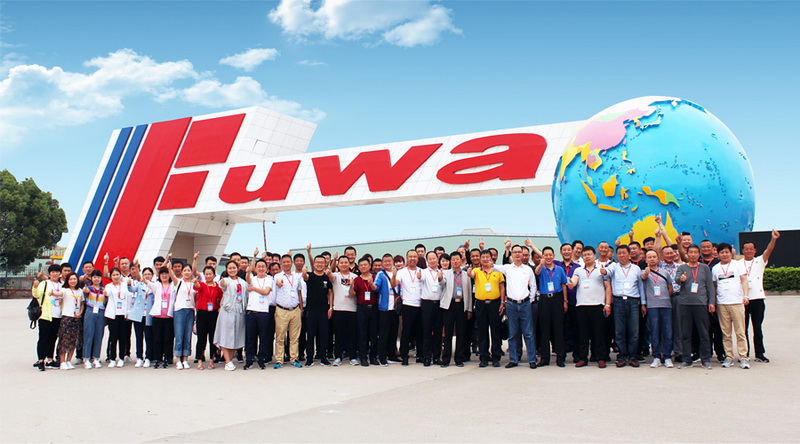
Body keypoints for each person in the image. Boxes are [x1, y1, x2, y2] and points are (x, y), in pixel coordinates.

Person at [494, 244, 537, 369]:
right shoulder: (507, 268)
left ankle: (532, 359)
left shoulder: (528, 269)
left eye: (520, 252)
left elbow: (533, 286)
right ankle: (513, 359)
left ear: (523, 254)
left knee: (529, 333)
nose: (517, 254)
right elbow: (492, 265)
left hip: (525, 304)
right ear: (512, 254)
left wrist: (530, 300)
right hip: (511, 305)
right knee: (512, 334)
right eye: (515, 252)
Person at [567, 246, 611, 368]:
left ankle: (600, 358)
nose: (587, 257)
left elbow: (608, 287)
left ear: (594, 256)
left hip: (597, 305)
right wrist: (571, 284)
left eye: (589, 254)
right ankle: (583, 358)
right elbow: (574, 281)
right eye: (585, 255)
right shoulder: (578, 270)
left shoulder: (601, 270)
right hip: (581, 306)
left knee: (599, 333)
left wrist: (607, 304)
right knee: (583, 334)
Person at [739, 230, 779, 362]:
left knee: (757, 328)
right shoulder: (738, 264)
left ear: (755, 250)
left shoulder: (760, 261)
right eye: (746, 249)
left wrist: (773, 239)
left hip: (757, 299)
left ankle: (760, 354)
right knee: (743, 330)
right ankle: (744, 353)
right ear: (743, 250)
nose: (749, 251)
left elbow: (769, 249)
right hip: (743, 300)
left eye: (751, 249)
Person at [675, 245, 716, 369]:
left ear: (699, 254)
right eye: (690, 252)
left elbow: (710, 287)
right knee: (685, 333)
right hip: (685, 304)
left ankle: (705, 359)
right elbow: (676, 279)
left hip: (701, 303)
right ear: (687, 254)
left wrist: (711, 302)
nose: (693, 255)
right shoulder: (682, 268)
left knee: (703, 332)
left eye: (695, 252)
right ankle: (686, 359)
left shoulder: (704, 268)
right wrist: (681, 279)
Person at [605, 245, 645, 367]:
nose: (622, 255)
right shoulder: (614, 266)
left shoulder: (636, 269)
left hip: (633, 301)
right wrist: (604, 271)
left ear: (629, 254)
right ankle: (622, 356)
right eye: (619, 253)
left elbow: (641, 287)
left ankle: (632, 356)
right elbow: (607, 272)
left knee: (634, 330)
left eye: (624, 253)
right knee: (619, 331)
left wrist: (643, 303)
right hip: (618, 301)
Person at [712, 243, 751, 369]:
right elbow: (714, 286)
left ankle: (743, 357)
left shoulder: (738, 264)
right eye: (722, 252)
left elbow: (744, 280)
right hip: (722, 304)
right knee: (726, 333)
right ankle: (729, 356)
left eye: (726, 252)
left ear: (731, 253)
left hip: (737, 303)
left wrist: (746, 295)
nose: (724, 254)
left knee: (740, 332)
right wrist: (714, 302)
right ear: (718, 254)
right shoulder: (715, 268)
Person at [468, 250, 506, 368]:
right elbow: (471, 275)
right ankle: (484, 357)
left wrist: (502, 302)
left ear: (491, 258)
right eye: (483, 257)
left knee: (495, 331)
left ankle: (496, 357)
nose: (485, 259)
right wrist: (469, 271)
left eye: (487, 257)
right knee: (482, 331)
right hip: (481, 304)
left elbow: (502, 288)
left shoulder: (497, 272)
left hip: (495, 303)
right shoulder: (477, 271)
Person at [534, 247, 568, 367]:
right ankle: (544, 358)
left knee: (559, 329)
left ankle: (560, 358)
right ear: (543, 256)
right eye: (546, 255)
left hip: (557, 298)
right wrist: (540, 264)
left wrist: (565, 301)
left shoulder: (559, 269)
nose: (548, 257)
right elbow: (536, 272)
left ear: (554, 256)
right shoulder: (541, 268)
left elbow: (564, 285)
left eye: (550, 255)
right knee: (544, 329)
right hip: (544, 300)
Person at [641, 250, 675, 368]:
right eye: (649, 257)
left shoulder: (665, 272)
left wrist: (666, 297)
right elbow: (643, 278)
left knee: (667, 331)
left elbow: (670, 287)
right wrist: (646, 272)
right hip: (652, 305)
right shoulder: (644, 272)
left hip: (666, 305)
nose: (652, 259)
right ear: (646, 259)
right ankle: (656, 356)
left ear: (658, 259)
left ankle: (667, 356)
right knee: (654, 331)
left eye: (654, 257)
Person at [440, 251, 473, 367]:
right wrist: (440, 278)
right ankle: (446, 359)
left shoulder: (466, 275)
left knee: (461, 333)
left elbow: (469, 292)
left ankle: (459, 359)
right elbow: (442, 283)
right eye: (453, 259)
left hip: (462, 305)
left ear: (461, 260)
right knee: (448, 333)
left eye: (457, 259)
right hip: (449, 305)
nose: (455, 261)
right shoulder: (446, 273)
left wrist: (469, 308)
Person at [272, 254, 304, 369]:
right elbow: (278, 282)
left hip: (295, 309)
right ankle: (279, 360)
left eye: (288, 262)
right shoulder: (278, 276)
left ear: (292, 263)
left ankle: (294, 358)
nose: (286, 264)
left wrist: (301, 308)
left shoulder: (296, 277)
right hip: (282, 310)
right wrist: (280, 283)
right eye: (284, 262)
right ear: (281, 263)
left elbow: (299, 292)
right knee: (280, 337)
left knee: (294, 337)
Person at [393, 250, 424, 366]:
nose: (412, 258)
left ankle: (420, 355)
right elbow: (394, 284)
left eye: (414, 256)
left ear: (418, 258)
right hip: (407, 305)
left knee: (420, 332)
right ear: (407, 258)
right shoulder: (401, 272)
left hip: (421, 305)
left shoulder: (422, 271)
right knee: (406, 332)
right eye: (410, 256)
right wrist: (394, 276)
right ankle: (404, 356)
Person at [216, 261, 248, 371]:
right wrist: (222, 283)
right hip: (228, 310)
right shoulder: (226, 280)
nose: (232, 270)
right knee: (226, 335)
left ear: (238, 269)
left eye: (234, 268)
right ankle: (228, 361)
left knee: (235, 335)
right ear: (226, 270)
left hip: (239, 310)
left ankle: (229, 360)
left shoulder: (242, 282)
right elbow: (222, 285)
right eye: (229, 268)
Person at [243, 253, 273, 370]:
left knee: (263, 337)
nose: (261, 269)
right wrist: (254, 258)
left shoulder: (269, 279)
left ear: (266, 268)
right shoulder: (252, 279)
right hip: (251, 311)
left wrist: (254, 289)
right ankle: (249, 360)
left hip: (263, 312)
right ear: (255, 268)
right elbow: (248, 277)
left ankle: (261, 359)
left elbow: (266, 292)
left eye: (263, 266)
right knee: (250, 337)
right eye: (258, 266)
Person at [302, 255, 333, 367]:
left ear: (325, 264)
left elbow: (330, 293)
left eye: (322, 262)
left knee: (324, 335)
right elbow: (305, 277)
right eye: (317, 262)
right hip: (311, 311)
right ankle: (309, 358)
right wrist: (304, 273)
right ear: (314, 264)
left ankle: (323, 357)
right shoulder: (310, 276)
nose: (319, 264)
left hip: (324, 311)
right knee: (310, 335)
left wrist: (331, 307)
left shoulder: (326, 277)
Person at [32, 264, 63, 371]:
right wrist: (35, 287)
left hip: (58, 316)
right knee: (43, 338)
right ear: (49, 274)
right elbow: (36, 295)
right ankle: (41, 360)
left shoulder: (62, 285)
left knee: (53, 339)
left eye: (57, 272)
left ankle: (50, 359)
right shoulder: (45, 283)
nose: (55, 274)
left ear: (60, 274)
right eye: (53, 272)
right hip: (45, 316)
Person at [328, 256, 357, 366]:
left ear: (349, 264)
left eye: (346, 262)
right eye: (341, 262)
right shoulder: (336, 276)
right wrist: (332, 262)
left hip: (352, 309)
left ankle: (352, 356)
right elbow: (329, 275)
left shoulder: (355, 277)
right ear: (338, 264)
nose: (344, 264)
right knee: (339, 334)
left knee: (352, 335)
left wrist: (352, 285)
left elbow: (354, 293)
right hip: (338, 309)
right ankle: (338, 357)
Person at [168, 257, 197, 370]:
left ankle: (185, 359)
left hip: (190, 310)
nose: (187, 272)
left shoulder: (194, 283)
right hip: (180, 310)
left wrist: (194, 260)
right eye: (185, 270)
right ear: (182, 272)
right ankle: (178, 359)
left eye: (189, 270)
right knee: (179, 335)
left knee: (188, 335)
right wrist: (169, 265)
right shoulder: (178, 282)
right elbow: (171, 275)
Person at [351, 257, 379, 366]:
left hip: (374, 308)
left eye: (365, 264)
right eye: (361, 265)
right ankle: (363, 357)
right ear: (358, 267)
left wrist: (372, 284)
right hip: (361, 308)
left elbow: (377, 290)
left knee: (374, 334)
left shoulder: (375, 277)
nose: (363, 266)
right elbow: (352, 294)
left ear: (369, 266)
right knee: (362, 333)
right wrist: (351, 286)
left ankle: (373, 357)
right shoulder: (357, 279)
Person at [194, 265, 223, 370]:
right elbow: (197, 286)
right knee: (201, 338)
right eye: (206, 274)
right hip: (202, 313)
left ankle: (212, 360)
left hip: (213, 314)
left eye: (210, 274)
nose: (208, 276)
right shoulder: (202, 284)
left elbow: (221, 299)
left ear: (214, 275)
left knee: (212, 338)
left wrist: (220, 308)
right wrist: (195, 281)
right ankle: (199, 360)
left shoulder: (217, 287)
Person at [147, 267, 175, 369]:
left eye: (166, 273)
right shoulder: (156, 285)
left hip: (169, 316)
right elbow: (144, 280)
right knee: (157, 338)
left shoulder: (174, 285)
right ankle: (158, 358)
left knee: (168, 338)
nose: (164, 275)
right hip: (157, 316)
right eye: (162, 273)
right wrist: (137, 267)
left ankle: (167, 358)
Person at [419, 251, 444, 366]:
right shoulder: (424, 272)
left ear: (437, 260)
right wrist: (419, 276)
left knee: (438, 332)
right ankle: (427, 357)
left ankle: (436, 357)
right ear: (427, 260)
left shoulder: (441, 272)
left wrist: (441, 278)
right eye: (430, 259)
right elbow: (420, 278)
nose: (432, 261)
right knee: (427, 331)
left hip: (438, 304)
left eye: (434, 258)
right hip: (427, 304)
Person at [375, 254, 400, 366]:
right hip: (384, 308)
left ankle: (392, 355)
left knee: (393, 333)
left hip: (395, 308)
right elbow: (376, 287)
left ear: (392, 262)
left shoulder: (398, 273)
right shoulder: (380, 274)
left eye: (389, 261)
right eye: (385, 261)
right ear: (382, 263)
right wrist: (372, 285)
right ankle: (382, 357)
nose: (387, 263)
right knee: (384, 334)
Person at [127, 264, 153, 368]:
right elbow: (132, 290)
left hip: (149, 315)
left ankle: (148, 357)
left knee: (149, 337)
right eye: (145, 274)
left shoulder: (154, 285)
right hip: (139, 314)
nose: (147, 276)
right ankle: (139, 357)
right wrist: (129, 285)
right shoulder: (139, 285)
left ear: (152, 275)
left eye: (149, 274)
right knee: (139, 337)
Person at [104, 267, 131, 368]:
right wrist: (105, 292)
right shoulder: (108, 286)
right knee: (113, 337)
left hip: (123, 314)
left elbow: (128, 298)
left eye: (117, 274)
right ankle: (112, 358)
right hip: (112, 315)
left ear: (120, 275)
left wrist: (128, 312)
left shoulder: (125, 285)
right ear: (111, 276)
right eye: (113, 275)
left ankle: (121, 358)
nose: (116, 277)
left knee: (123, 337)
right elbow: (107, 293)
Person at [57, 273, 83, 370]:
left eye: (74, 279)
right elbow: (59, 295)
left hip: (76, 318)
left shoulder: (80, 291)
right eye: (71, 279)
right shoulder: (65, 290)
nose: (73, 281)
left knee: (73, 341)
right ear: (67, 281)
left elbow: (82, 304)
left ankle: (68, 360)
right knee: (64, 340)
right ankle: (62, 361)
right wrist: (52, 293)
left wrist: (80, 313)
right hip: (66, 318)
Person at [82, 270, 106, 369]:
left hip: (101, 312)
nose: (96, 279)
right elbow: (84, 295)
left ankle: (96, 358)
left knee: (99, 335)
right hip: (90, 311)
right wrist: (86, 290)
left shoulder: (104, 290)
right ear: (91, 278)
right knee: (88, 335)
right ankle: (86, 358)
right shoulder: (88, 288)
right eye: (94, 277)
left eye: (98, 277)